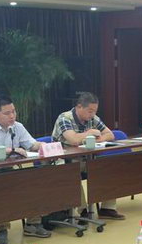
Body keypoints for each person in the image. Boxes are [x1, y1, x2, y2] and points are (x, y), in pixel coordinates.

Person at [0, 96, 49, 244]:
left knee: (35, 180)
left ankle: (32, 224)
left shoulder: (17, 127)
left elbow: (31, 144)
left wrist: (45, 146)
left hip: (9, 169)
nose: (12, 116)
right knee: (3, 186)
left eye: (13, 112)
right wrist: (11, 150)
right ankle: (2, 230)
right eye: (7, 113)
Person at [52, 92, 123, 220]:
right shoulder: (64, 118)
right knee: (72, 172)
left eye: (95, 111)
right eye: (90, 111)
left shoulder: (93, 118)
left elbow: (110, 135)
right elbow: (73, 139)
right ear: (79, 107)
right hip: (63, 162)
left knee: (108, 168)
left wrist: (98, 139)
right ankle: (83, 210)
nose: (92, 114)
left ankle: (107, 209)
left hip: (86, 159)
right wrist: (89, 133)